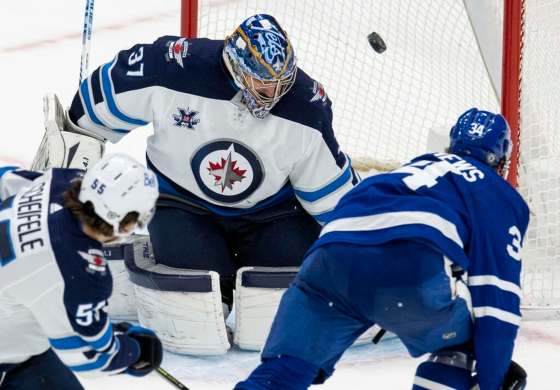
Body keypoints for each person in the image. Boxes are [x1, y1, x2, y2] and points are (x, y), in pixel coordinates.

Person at [62, 13, 356, 307]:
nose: (274, 94)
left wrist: (369, 248)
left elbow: (330, 194)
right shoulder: (175, 68)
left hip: (274, 213)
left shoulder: (306, 107)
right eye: (263, 84)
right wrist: (66, 178)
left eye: (283, 82)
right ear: (238, 68)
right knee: (198, 299)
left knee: (291, 295)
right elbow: (93, 105)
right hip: (182, 204)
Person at [235, 108, 530, 390]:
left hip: (328, 262)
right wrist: (494, 378)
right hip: (403, 265)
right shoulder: (498, 193)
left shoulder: (416, 165)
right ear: (501, 161)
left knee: (285, 369)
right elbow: (496, 300)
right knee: (464, 342)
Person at [0, 154, 163, 389]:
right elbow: (86, 358)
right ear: (124, 224)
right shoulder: (81, 275)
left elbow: (4, 177)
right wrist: (134, 351)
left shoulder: (58, 181)